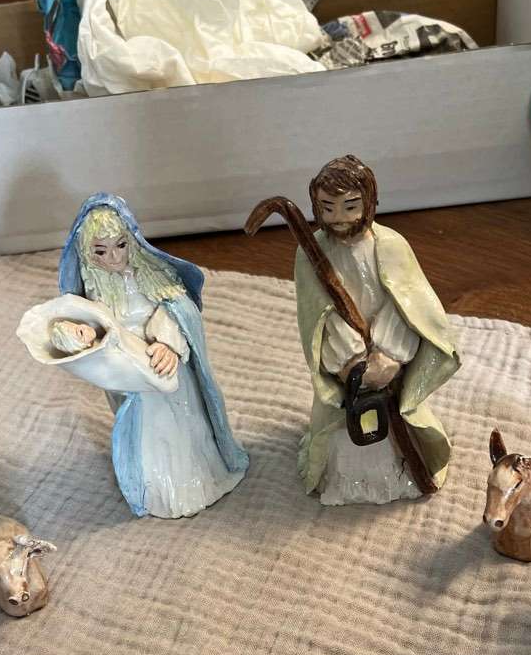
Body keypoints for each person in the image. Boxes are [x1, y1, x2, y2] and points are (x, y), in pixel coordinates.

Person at [54, 193, 248, 518]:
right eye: (100, 251)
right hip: (133, 376)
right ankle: (158, 489)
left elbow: (178, 308)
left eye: (121, 246)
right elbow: (91, 326)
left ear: (132, 240)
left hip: (166, 367)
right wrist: (87, 333)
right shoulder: (93, 288)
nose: (114, 258)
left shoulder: (152, 274)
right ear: (86, 252)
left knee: (185, 423)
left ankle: (200, 479)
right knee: (150, 433)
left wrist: (168, 343)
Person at [294, 156, 460, 505]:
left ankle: (406, 471)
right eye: (328, 208)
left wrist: (389, 354)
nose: (339, 218)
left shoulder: (391, 245)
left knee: (396, 427)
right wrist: (349, 359)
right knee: (345, 426)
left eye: (350, 206)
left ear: (369, 202)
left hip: (388, 361)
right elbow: (317, 312)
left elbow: (409, 303)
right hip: (348, 365)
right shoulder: (310, 251)